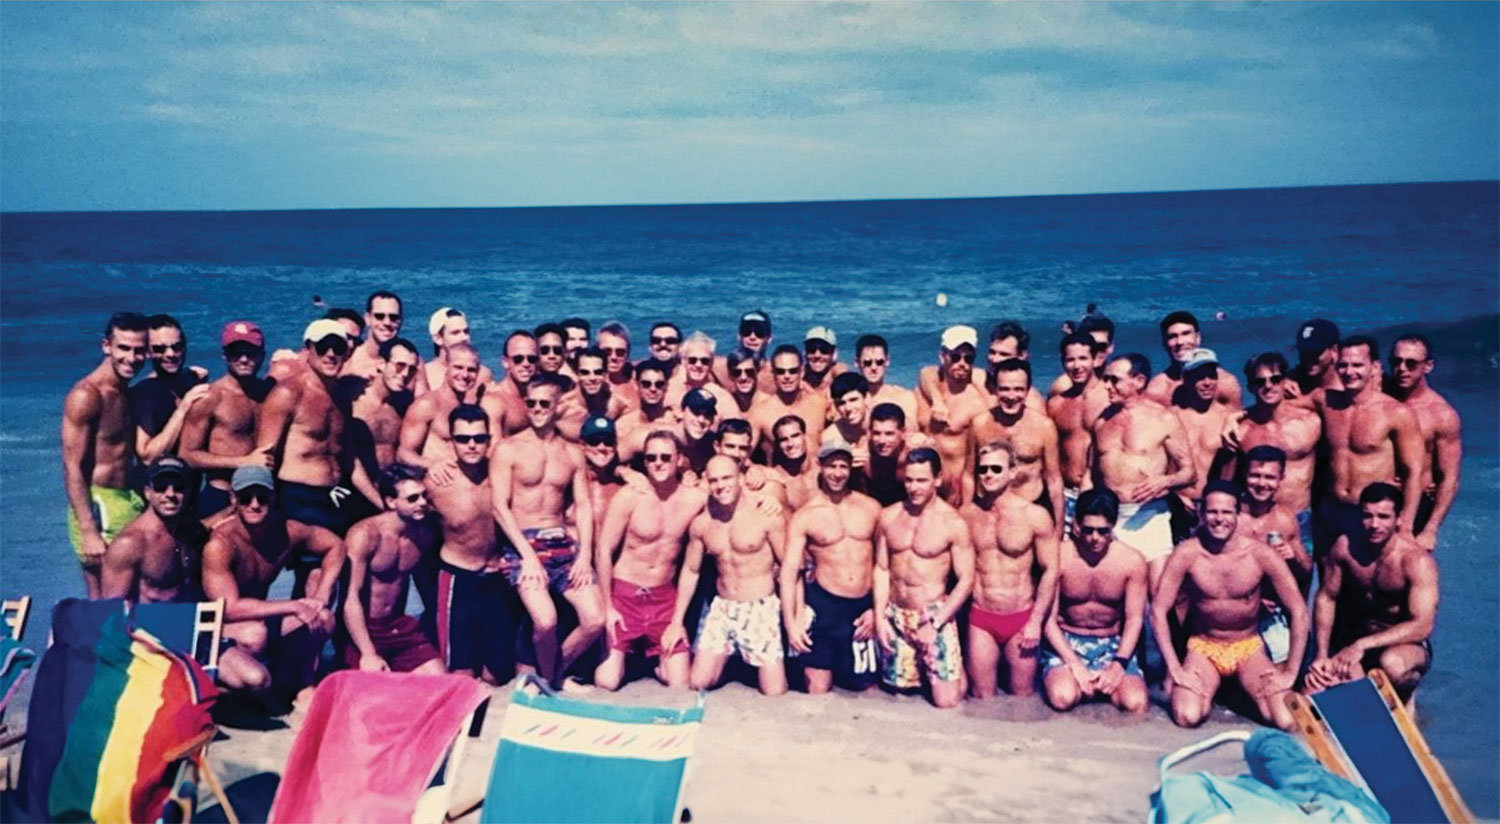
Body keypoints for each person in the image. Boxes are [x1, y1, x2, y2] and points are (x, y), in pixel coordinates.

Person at [1151, 481, 1307, 731]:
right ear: (1201, 513)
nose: (1219, 519)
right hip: (1204, 647)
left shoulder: (1260, 554)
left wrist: (1290, 673)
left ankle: (1236, 692)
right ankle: (1219, 691)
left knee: (1288, 720)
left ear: (1237, 514)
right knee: (1187, 716)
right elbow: (1158, 610)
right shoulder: (1187, 553)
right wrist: (1175, 669)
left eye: (1226, 512)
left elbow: (1298, 610)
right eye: (1212, 511)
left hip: (1248, 647)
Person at [490, 375, 605, 686]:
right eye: (531, 403)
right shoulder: (508, 449)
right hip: (524, 543)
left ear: (557, 406)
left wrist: (585, 556)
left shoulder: (572, 452)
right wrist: (526, 556)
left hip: (562, 542)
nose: (537, 409)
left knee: (595, 620)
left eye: (544, 403)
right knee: (546, 621)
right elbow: (499, 506)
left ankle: (552, 676)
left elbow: (583, 505)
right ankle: (551, 681)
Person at [201, 466, 345, 700]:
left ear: (273, 497)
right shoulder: (221, 544)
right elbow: (229, 608)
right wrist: (294, 606)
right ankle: (245, 692)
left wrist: (322, 595)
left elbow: (336, 545)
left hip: (258, 617)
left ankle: (300, 683)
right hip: (220, 625)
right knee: (255, 634)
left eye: (262, 497)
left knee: (323, 618)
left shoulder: (287, 531)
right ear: (233, 499)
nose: (255, 505)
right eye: (246, 498)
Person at [594, 430, 706, 690]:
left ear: (679, 460)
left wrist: (766, 498)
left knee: (679, 683)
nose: (658, 463)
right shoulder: (630, 496)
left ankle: (651, 662)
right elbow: (603, 550)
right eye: (651, 457)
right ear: (644, 461)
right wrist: (608, 608)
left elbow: (731, 497)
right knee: (607, 682)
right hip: (625, 596)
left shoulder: (695, 498)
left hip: (664, 599)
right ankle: (626, 656)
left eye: (665, 457)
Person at [1306, 483, 1437, 699]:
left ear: (1399, 518)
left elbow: (1423, 626)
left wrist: (1363, 645)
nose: (1374, 525)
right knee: (1316, 692)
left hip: (1402, 646)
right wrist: (1321, 655)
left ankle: (1406, 698)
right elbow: (1327, 598)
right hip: (1355, 642)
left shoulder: (1416, 561)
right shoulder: (1345, 548)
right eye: (1367, 516)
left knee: (1392, 665)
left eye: (1383, 517)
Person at [674, 455, 789, 695]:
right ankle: (733, 662)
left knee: (774, 692)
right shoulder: (703, 523)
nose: (721, 485)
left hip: (759, 608)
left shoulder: (765, 514)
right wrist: (676, 622)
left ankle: (748, 662)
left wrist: (793, 617)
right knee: (698, 683)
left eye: (727, 478)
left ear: (741, 478)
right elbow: (690, 571)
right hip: (723, 608)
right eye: (714, 480)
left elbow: (789, 568)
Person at [256, 319, 380, 537]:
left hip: (335, 496)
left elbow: (350, 460)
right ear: (307, 349)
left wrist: (380, 503)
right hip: (297, 500)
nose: (331, 354)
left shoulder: (341, 397)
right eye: (323, 347)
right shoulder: (288, 393)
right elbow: (263, 460)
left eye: (338, 348)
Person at [873, 448, 974, 708]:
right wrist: (879, 617)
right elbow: (882, 569)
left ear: (937, 480)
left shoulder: (953, 523)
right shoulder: (889, 516)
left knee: (947, 702)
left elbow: (966, 580)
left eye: (921, 480)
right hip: (896, 615)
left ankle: (958, 671)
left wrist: (936, 623)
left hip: (932, 615)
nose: (914, 487)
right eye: (909, 480)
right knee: (899, 696)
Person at [961, 442, 1059, 698]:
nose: (988, 475)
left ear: (1012, 472)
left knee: (1022, 698)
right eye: (983, 469)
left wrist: (1036, 621)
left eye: (996, 468)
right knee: (982, 698)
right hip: (981, 617)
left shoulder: (1035, 515)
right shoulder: (967, 515)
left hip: (1021, 617)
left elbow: (1051, 570)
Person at [1310, 337, 1424, 556]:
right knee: (1329, 573)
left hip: (1371, 515)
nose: (1349, 372)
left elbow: (1413, 472)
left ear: (1375, 367)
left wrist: (1406, 526)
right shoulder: (1325, 401)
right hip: (1332, 510)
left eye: (1357, 365)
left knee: (1369, 575)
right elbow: (1282, 407)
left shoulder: (1396, 413)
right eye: (1343, 365)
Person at [64, 312, 151, 597]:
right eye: (123, 348)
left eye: (139, 350)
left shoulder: (125, 390)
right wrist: (88, 531)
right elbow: (72, 466)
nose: (132, 358)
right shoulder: (87, 395)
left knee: (133, 596)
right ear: (106, 346)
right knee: (104, 600)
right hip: (99, 504)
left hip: (129, 499)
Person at [782, 445, 883, 693]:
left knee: (868, 691)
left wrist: (876, 610)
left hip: (862, 609)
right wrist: (791, 624)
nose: (837, 473)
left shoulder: (871, 508)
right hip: (823, 607)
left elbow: (884, 566)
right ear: (821, 467)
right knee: (817, 691)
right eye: (831, 466)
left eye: (843, 467)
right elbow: (789, 572)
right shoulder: (805, 515)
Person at [1090, 353, 1197, 586]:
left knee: (1158, 592)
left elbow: (1189, 472)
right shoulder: (1101, 421)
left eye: (1114, 380)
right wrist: (1083, 514)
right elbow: (1091, 474)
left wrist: (1165, 481)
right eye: (1106, 379)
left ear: (1138, 381)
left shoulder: (1164, 419)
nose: (1106, 385)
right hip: (1110, 518)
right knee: (1113, 592)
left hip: (1151, 517)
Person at [426, 404, 514, 682]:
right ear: (451, 441)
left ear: (489, 439)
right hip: (458, 580)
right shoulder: (435, 483)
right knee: (461, 675)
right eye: (463, 439)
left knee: (496, 676)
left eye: (479, 438)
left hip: (498, 577)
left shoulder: (502, 475)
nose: (472, 445)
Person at [1041, 488, 1148, 714]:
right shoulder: (1059, 556)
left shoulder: (1132, 561)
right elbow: (1048, 620)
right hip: (1067, 642)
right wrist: (1074, 663)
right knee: (1063, 698)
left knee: (1136, 704)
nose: (1095, 538)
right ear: (1076, 525)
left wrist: (1118, 664)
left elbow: (1134, 620)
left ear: (1113, 525)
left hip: (1111, 644)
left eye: (1102, 531)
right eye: (1088, 530)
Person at [341, 464, 445, 674]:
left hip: (398, 626)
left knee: (439, 678)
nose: (422, 503)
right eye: (412, 499)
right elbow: (350, 597)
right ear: (390, 502)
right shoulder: (365, 535)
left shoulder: (424, 534)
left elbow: (430, 586)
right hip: (364, 630)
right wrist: (368, 653)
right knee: (376, 685)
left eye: (424, 496)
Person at [1223, 351, 1322, 548]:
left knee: (1302, 566)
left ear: (1284, 382)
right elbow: (1227, 481)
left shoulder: (1310, 422)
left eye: (1275, 379)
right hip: (1256, 520)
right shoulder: (1242, 430)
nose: (1268, 386)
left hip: (1299, 517)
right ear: (1250, 387)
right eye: (1260, 382)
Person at [179, 321, 276, 518]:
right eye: (235, 353)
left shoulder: (269, 393)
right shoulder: (211, 398)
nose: (243, 359)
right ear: (224, 356)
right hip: (221, 495)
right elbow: (187, 455)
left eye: (250, 352)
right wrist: (244, 462)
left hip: (261, 496)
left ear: (262, 355)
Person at [1383, 334, 1462, 548]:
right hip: (1375, 504)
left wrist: (1431, 529)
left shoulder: (1441, 415)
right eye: (1396, 362)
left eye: (1411, 364)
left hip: (1416, 508)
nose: (1402, 369)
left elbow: (1449, 479)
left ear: (1428, 366)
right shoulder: (1377, 395)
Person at [1239, 445, 1313, 666]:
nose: (1262, 483)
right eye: (1255, 475)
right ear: (1245, 475)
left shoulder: (1284, 518)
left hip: (1270, 612)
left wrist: (1293, 558)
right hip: (1229, 609)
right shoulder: (1230, 517)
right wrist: (1251, 601)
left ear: (1281, 480)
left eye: (1270, 477)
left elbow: (1306, 571)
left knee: (1285, 664)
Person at [969, 358, 1063, 530]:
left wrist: (1058, 528)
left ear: (1028, 390)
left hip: (1031, 508)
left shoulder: (1044, 426)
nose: (1011, 396)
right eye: (1004, 389)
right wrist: (968, 513)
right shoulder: (979, 424)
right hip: (989, 511)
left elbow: (1054, 480)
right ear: (995, 389)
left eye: (1018, 389)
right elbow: (968, 475)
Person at [101, 457, 208, 604]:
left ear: (189, 491)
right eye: (161, 487)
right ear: (147, 493)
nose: (170, 494)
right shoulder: (130, 544)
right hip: (149, 617)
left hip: (189, 613)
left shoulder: (191, 530)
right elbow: (111, 610)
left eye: (178, 487)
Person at [916, 326, 990, 506]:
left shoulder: (976, 402)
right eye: (956, 357)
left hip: (955, 490)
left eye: (968, 358)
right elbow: (926, 371)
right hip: (921, 486)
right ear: (943, 356)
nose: (962, 363)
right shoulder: (924, 390)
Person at [397, 342, 490, 484]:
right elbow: (403, 454)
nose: (465, 375)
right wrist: (430, 464)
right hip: (439, 485)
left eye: (471, 370)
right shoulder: (427, 405)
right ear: (446, 366)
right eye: (458, 367)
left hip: (467, 485)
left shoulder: (474, 404)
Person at [1168, 348, 1236, 535]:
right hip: (1175, 504)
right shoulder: (1171, 417)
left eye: (1211, 376)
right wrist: (1175, 495)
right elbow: (1159, 463)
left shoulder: (1228, 418)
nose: (1207, 383)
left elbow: (1231, 468)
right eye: (1199, 377)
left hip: (1214, 510)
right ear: (1185, 379)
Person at [1047, 332, 1110, 527]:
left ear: (1095, 360)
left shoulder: (1109, 399)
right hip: (1066, 494)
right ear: (1063, 362)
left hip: (1102, 494)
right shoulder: (1056, 404)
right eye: (1070, 360)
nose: (1077, 366)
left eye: (1083, 358)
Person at [130, 314, 211, 462]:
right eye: (160, 349)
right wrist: (183, 408)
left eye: (176, 347)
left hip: (193, 472)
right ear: (147, 352)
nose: (170, 354)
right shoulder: (144, 395)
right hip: (161, 475)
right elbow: (147, 456)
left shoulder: (192, 378)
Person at [346, 337, 419, 478]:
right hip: (357, 482)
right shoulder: (354, 399)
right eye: (400, 366)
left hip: (393, 482)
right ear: (381, 364)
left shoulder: (406, 403)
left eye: (411, 369)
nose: (405, 374)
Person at [1146, 311, 1242, 409]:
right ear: (1164, 343)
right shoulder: (1157, 390)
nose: (1180, 342)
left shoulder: (1226, 383)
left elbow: (1237, 417)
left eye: (1186, 334)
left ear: (1198, 338)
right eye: (1172, 336)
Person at [749, 345, 827, 461]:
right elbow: (741, 453)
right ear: (773, 373)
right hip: (779, 472)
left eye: (793, 371)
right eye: (780, 371)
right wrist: (757, 469)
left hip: (817, 471)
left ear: (802, 372)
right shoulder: (759, 413)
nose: (787, 376)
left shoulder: (820, 404)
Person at [345, 291, 426, 392]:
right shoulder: (350, 359)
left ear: (401, 321)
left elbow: (422, 399)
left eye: (394, 317)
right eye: (379, 316)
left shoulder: (412, 362)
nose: (387, 322)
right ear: (367, 318)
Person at [616, 359, 680, 462]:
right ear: (636, 385)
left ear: (666, 387)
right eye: (646, 384)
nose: (653, 389)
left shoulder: (676, 420)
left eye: (659, 384)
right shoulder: (623, 426)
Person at [422, 307, 493, 392]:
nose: (464, 337)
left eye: (466, 332)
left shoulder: (483, 374)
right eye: (455, 333)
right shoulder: (425, 374)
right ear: (438, 339)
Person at [854, 334, 917, 430]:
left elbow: (912, 430)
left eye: (879, 362)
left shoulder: (903, 396)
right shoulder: (849, 399)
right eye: (867, 363)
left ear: (887, 361)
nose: (874, 367)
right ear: (857, 362)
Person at [666, 331, 734, 411]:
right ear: (683, 361)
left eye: (704, 361)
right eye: (692, 360)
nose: (698, 365)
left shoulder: (721, 397)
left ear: (711, 363)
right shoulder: (669, 389)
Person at [492, 330, 543, 436]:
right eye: (518, 359)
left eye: (532, 359)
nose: (526, 364)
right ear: (505, 362)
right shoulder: (495, 403)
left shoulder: (542, 396)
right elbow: (493, 445)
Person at [714, 310, 774, 392]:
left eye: (759, 333)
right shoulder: (720, 368)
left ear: (769, 339)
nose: (752, 337)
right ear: (739, 336)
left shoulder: (775, 373)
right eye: (746, 331)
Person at [824, 373, 872, 474]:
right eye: (841, 403)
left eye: (853, 400)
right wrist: (845, 457)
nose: (848, 408)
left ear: (867, 398)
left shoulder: (883, 423)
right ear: (835, 406)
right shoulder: (831, 435)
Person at [766, 415, 816, 509]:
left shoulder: (822, 468)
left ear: (805, 436)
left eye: (795, 436)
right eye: (783, 439)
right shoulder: (777, 478)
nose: (790, 444)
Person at [1287, 318, 1341, 397]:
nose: (1308, 358)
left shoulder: (1347, 383)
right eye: (1304, 351)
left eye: (1315, 352)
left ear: (1334, 350)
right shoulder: (1293, 378)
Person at [598, 321, 640, 410]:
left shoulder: (638, 381)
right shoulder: (592, 385)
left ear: (627, 354)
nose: (613, 357)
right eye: (607, 352)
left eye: (620, 352)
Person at [723, 347, 763, 415]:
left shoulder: (768, 404)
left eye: (749, 372)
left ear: (757, 372)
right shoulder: (724, 403)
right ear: (730, 375)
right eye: (737, 372)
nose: (743, 377)